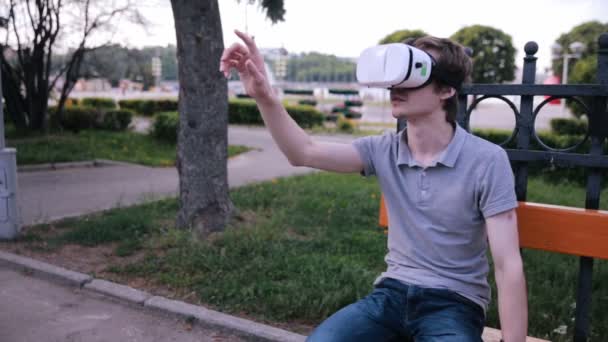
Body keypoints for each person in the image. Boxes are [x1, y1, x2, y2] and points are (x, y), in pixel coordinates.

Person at [220, 30, 527, 342]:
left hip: (454, 304)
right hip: (390, 296)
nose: (397, 86)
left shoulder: (487, 160)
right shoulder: (384, 150)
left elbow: (507, 264)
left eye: (415, 73)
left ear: (447, 89)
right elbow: (303, 152)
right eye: (396, 76)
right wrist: (264, 95)